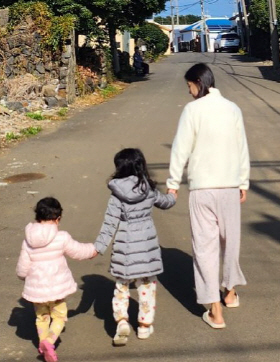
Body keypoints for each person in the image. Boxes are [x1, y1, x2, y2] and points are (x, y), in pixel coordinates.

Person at [167, 63, 249, 330]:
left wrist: (173, 183)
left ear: (198, 83)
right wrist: (243, 182)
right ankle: (230, 292)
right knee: (231, 242)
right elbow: (242, 148)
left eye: (189, 86)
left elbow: (181, 148)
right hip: (229, 186)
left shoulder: (193, 110)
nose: (189, 92)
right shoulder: (233, 109)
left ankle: (215, 311)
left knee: (205, 247)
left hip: (202, 189)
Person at [95, 148, 176, 345]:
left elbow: (109, 223)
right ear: (141, 166)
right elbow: (165, 202)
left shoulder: (116, 195)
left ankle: (122, 321)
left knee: (122, 287)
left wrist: (98, 247)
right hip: (147, 251)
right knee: (146, 287)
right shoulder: (148, 190)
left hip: (125, 249)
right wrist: (173, 195)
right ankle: (144, 327)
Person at [16, 197, 98, 362]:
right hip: (57, 288)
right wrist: (93, 250)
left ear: (37, 217)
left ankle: (42, 342)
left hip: (37, 290)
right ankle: (49, 341)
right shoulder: (61, 237)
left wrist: (24, 277)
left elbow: (22, 268)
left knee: (42, 317)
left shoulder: (28, 240)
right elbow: (78, 251)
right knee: (59, 316)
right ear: (57, 218)